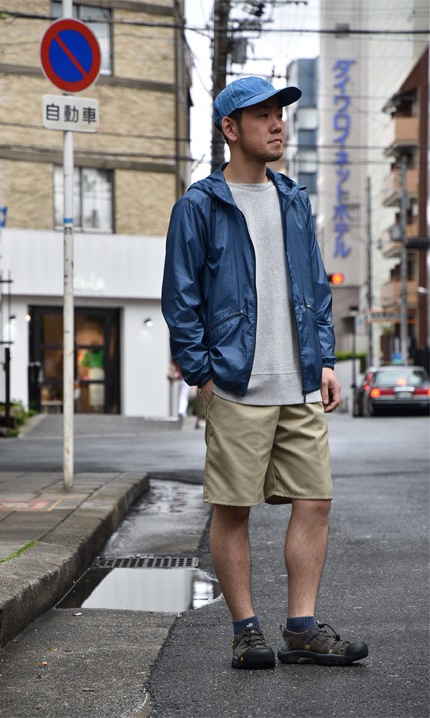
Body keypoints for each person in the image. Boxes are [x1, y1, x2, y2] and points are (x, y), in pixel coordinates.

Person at [161, 76, 368, 670]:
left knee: (316, 501)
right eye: (263, 116)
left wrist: (324, 361)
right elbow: (181, 297)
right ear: (230, 129)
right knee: (234, 508)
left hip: (299, 380)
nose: (278, 124)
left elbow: (316, 288)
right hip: (235, 382)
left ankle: (301, 628)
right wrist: (203, 375)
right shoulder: (200, 206)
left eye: (280, 113)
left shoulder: (294, 200)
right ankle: (246, 631)